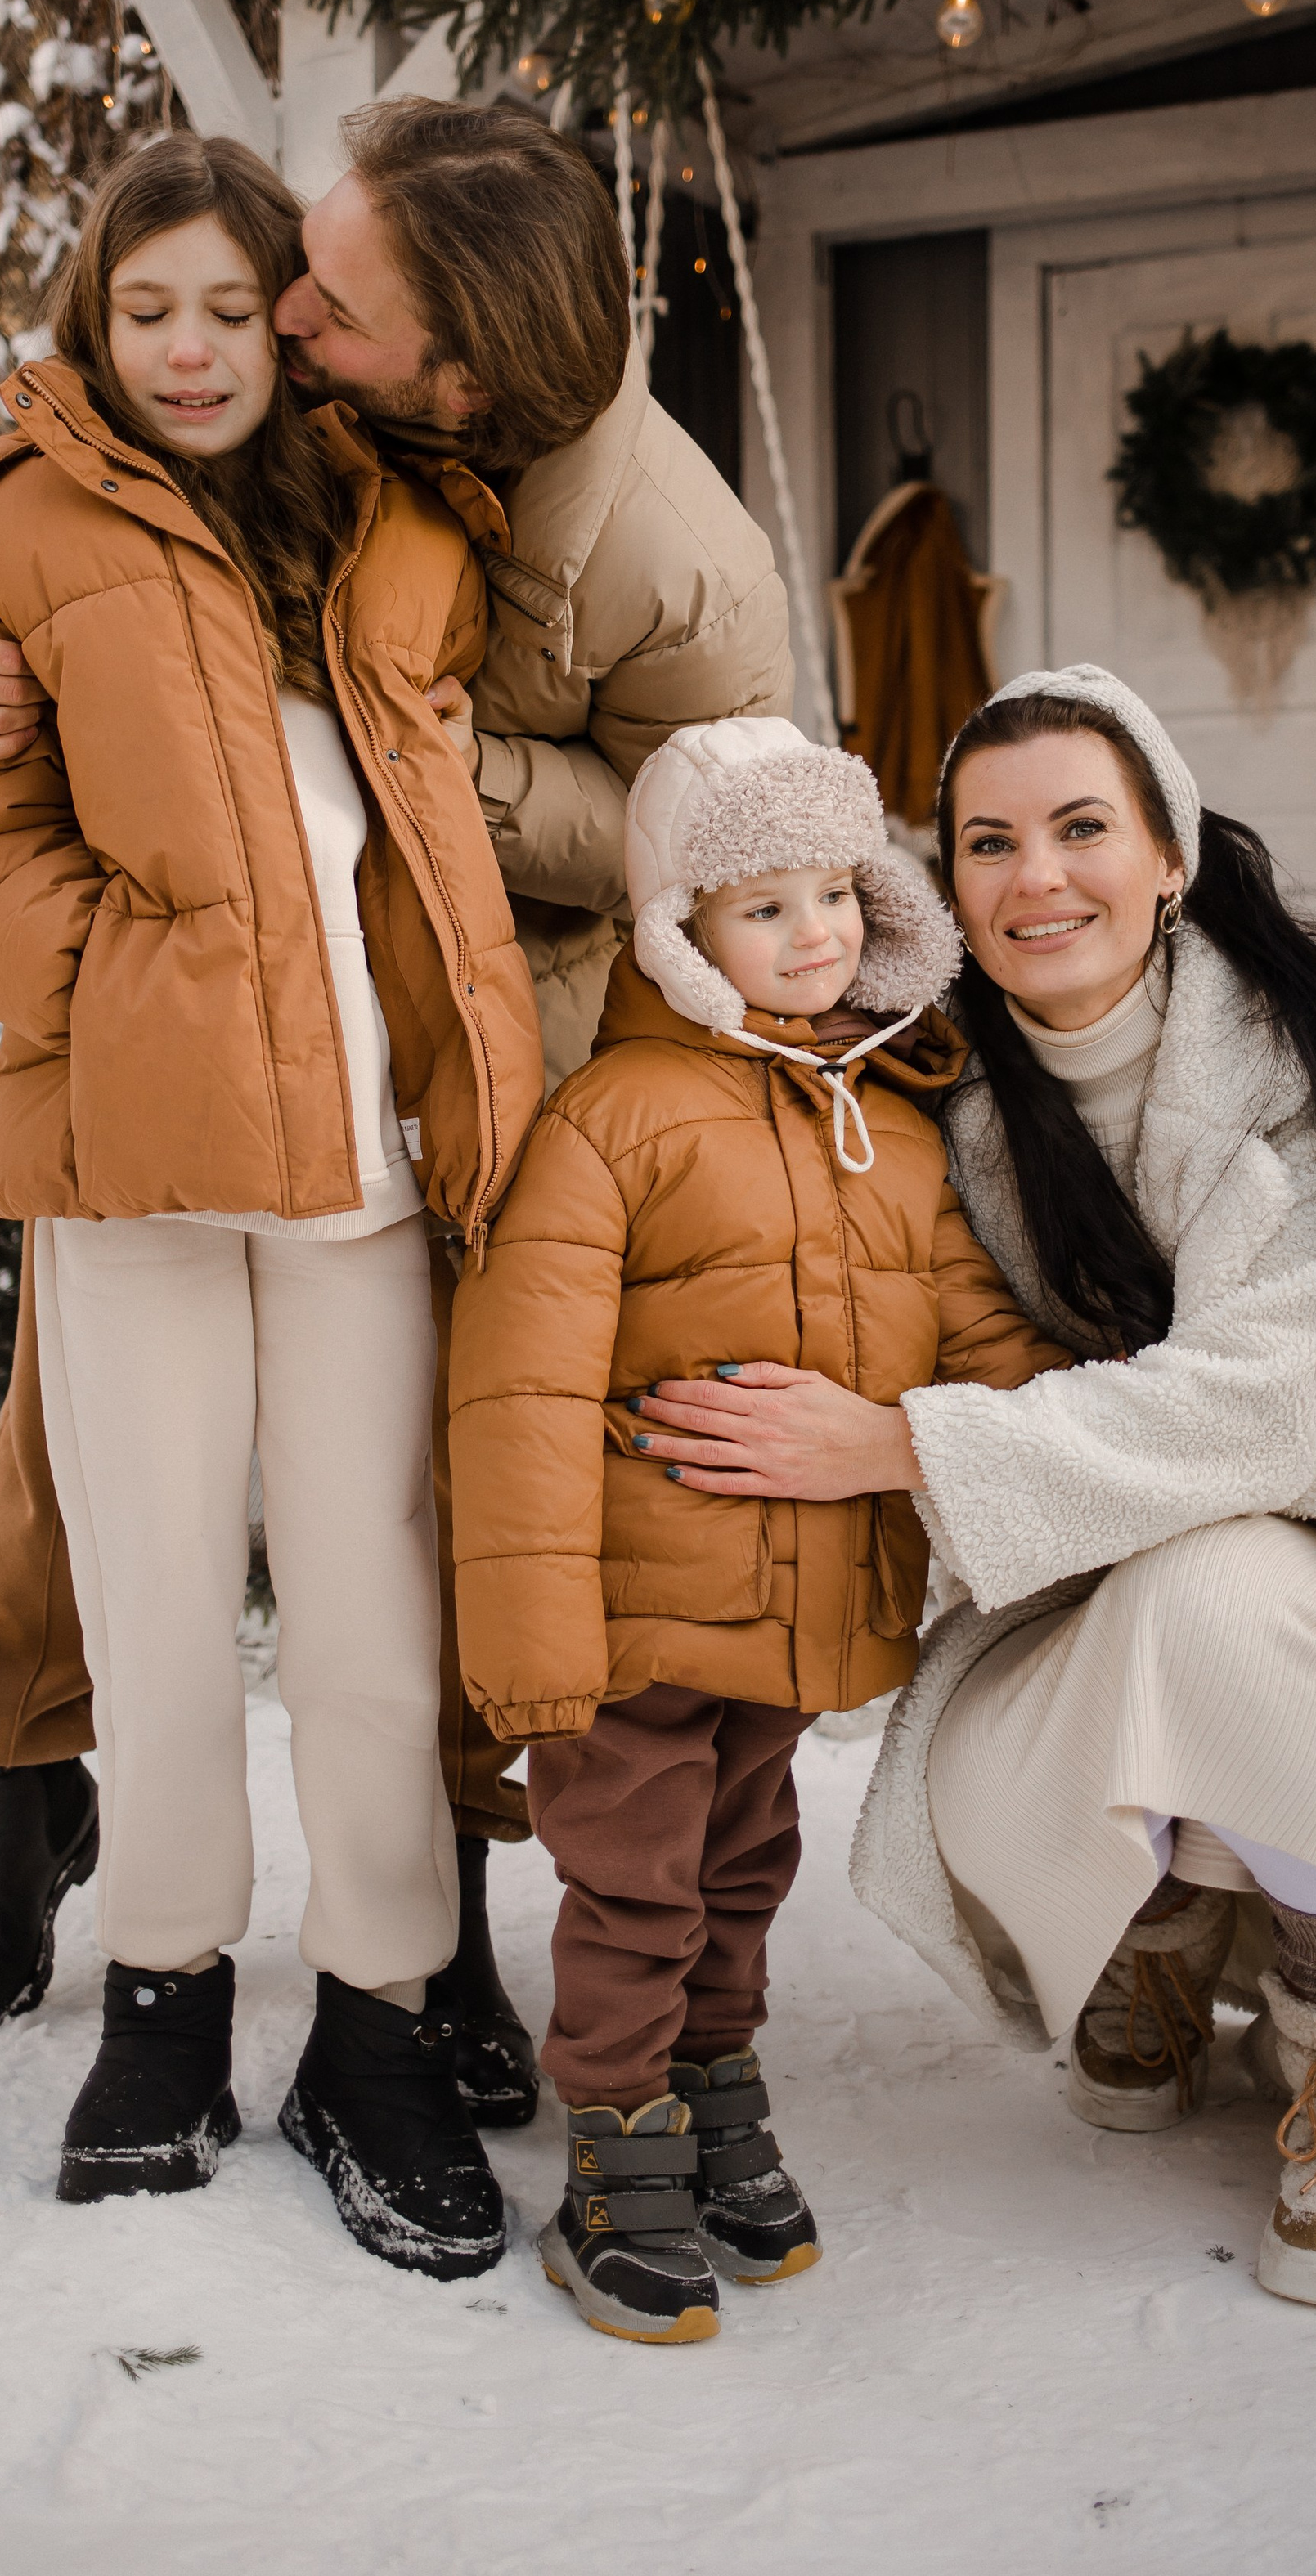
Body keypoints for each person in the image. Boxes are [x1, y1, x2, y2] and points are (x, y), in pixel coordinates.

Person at [0, 99, 793, 2124]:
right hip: (139, 1136)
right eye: (173, 307)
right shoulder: (105, 488)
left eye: (293, 300)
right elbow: (1, 718)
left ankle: (399, 1979)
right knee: (116, 1540)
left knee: (398, 1566)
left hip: (448, 1091)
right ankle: (109, 1909)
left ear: (451, 372)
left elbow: (722, 836)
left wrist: (449, 822)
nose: (255, 332)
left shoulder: (497, 528)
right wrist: (113, 977)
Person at [636, 664, 1316, 2312]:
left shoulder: (1306, 1069)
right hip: (1067, 1586)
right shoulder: (931, 1095)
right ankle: (1144, 1924)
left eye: (1080, 828)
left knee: (1210, 1587)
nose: (1034, 876)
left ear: (1166, 853)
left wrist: (897, 1444)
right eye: (987, 843)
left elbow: (1258, 1412)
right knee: (1041, 1699)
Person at [0, 128, 546, 2274]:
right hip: (128, 1178)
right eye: (141, 307)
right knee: (162, 1599)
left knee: (374, 1612)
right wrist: (117, 992)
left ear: (291, 315)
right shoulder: (26, 531)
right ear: (99, 318)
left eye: (222, 306)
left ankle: (376, 2019)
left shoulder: (406, 527)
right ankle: (166, 1994)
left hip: (366, 1177)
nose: (186, 351)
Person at [450, 718, 1071, 2340]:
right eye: (762, 908)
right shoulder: (615, 1121)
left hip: (793, 1613)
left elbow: (971, 1337)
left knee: (740, 1870)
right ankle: (616, 2137)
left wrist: (1081, 1435)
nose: (812, 938)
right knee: (635, 1887)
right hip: (632, 1618)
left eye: (835, 899)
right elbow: (516, 1393)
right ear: (678, 933)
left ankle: (713, 2082)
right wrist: (525, 1645)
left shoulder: (899, 1134)